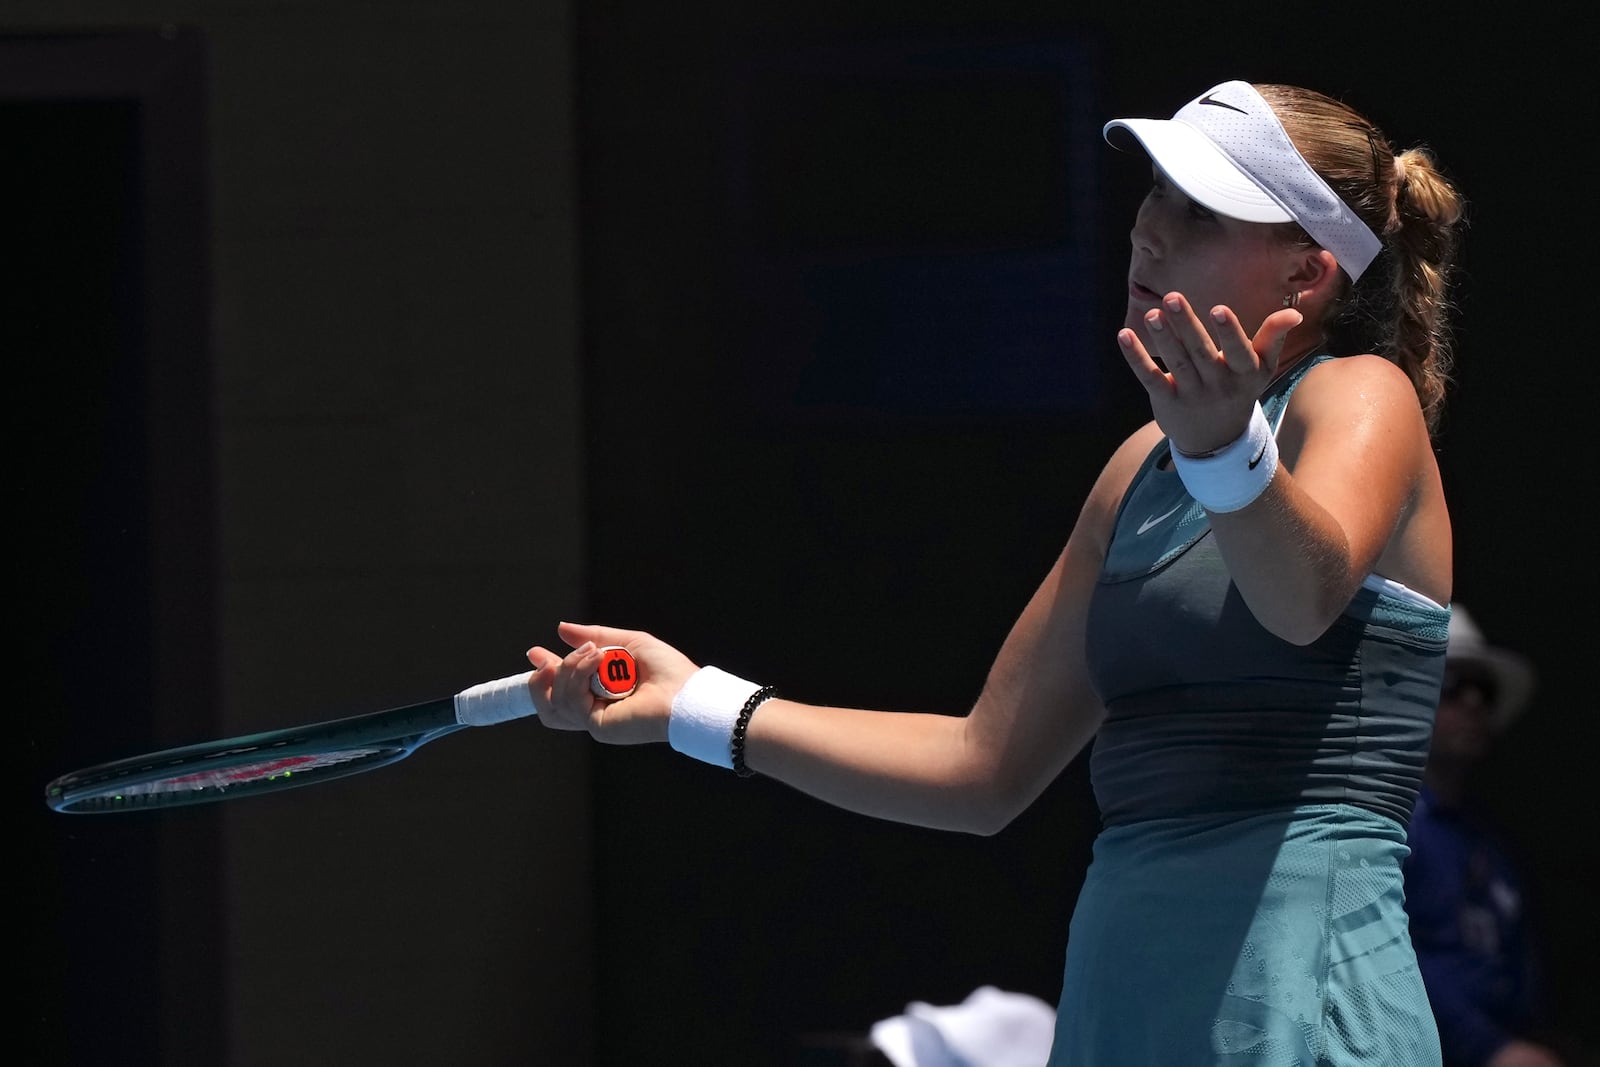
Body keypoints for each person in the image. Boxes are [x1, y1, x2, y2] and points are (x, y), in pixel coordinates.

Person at [531, 79, 1467, 1065]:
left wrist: (1223, 449)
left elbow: (1300, 602)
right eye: (1154, 193)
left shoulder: (1362, 397)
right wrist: (697, 704)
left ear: (1307, 273)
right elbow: (982, 769)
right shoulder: (1134, 471)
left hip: (1296, 990)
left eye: (1199, 211)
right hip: (1119, 994)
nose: (1148, 232)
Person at [1405, 606, 1570, 1067]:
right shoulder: (1390, 831)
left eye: (1484, 690)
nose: (1473, 703)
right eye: (1452, 686)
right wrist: (1489, 1049)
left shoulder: (1490, 842)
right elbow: (1380, 956)